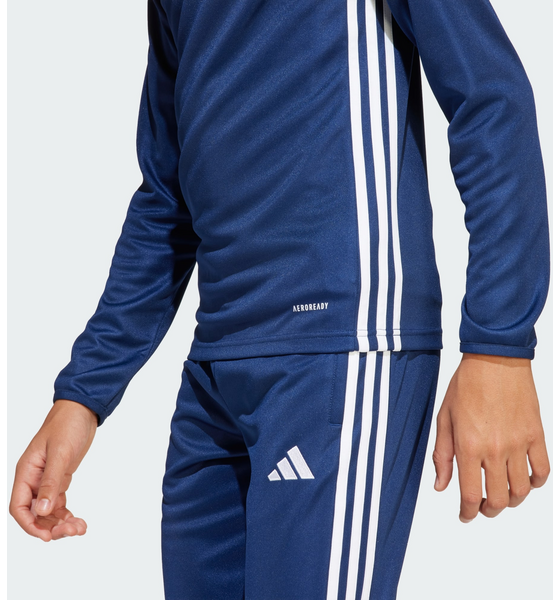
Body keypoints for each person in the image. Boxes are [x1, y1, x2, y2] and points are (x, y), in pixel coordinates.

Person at [9, 1, 551, 599]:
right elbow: (167, 196)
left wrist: (498, 348)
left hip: (340, 343)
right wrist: (83, 395)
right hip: (216, 367)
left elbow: (490, 99)